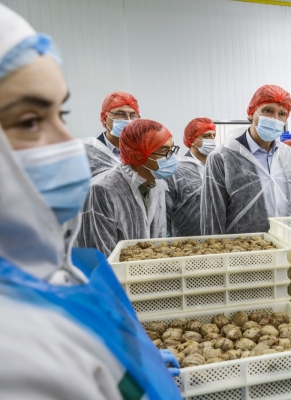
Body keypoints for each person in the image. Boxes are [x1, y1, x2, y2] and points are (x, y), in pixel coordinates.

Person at [0, 4, 180, 399]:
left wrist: (123, 353)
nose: (67, 143)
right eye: (29, 121)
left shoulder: (41, 268)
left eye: (60, 112)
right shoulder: (12, 355)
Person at [199, 84, 291, 235]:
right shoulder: (222, 156)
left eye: (282, 114)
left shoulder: (288, 155)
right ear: (252, 113)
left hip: (286, 248)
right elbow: (212, 218)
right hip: (243, 251)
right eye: (268, 111)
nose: (275, 119)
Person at [77, 119, 177, 256]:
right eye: (164, 151)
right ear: (137, 156)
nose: (171, 157)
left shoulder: (157, 185)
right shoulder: (102, 191)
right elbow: (98, 257)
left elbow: (157, 241)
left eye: (172, 149)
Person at [166, 117, 216, 237]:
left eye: (214, 135)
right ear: (192, 140)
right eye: (206, 136)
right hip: (186, 238)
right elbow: (166, 209)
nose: (212, 140)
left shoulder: (218, 165)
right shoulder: (178, 168)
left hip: (217, 236)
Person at [84, 91, 140, 176]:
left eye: (133, 115)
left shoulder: (143, 152)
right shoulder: (88, 152)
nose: (128, 120)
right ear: (104, 118)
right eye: (120, 114)